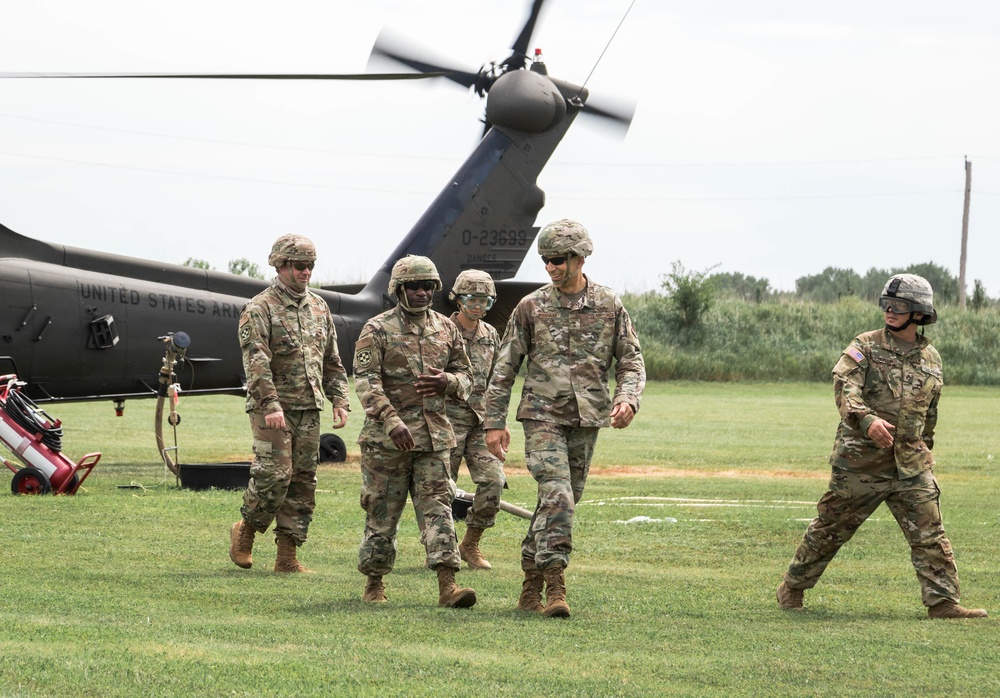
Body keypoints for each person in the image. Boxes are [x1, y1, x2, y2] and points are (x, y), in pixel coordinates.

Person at [777, 274, 988, 619]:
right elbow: (845, 384)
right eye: (886, 304)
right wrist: (867, 420)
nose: (890, 310)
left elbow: (929, 413)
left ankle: (943, 602)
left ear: (919, 312)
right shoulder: (866, 345)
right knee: (830, 530)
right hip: (861, 463)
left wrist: (925, 449)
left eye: (900, 305)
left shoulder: (931, 358)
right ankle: (792, 587)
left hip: (911, 465)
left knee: (930, 535)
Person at [484, 219, 645, 618]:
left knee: (556, 504)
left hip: (587, 419)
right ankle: (556, 586)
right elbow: (504, 367)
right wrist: (493, 421)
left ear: (580, 258)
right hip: (541, 417)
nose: (551, 268)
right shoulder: (531, 306)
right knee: (558, 496)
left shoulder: (609, 305)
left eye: (558, 260)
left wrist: (627, 399)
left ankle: (528, 586)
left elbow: (631, 360)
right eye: (545, 261)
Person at [354, 255, 478, 608]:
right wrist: (391, 421)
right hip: (387, 443)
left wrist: (448, 381)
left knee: (438, 509)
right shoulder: (377, 329)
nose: (423, 293)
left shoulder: (446, 328)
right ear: (398, 290)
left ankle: (447, 585)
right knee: (382, 512)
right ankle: (374, 583)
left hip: (434, 438)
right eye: (415, 287)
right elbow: (365, 381)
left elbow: (467, 376)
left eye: (429, 286)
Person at [229, 234, 350, 573]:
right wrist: (270, 404)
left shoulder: (319, 307)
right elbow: (256, 361)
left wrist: (339, 398)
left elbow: (331, 360)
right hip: (272, 408)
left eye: (310, 265)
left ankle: (287, 557)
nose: (306, 272)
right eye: (299, 265)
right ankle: (245, 532)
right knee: (275, 474)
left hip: (309, 408)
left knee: (303, 481)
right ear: (280, 265)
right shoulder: (259, 308)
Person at [443, 270, 508, 570]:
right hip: (445, 422)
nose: (478, 306)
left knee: (494, 480)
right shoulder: (440, 331)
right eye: (471, 299)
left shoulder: (491, 335)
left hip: (481, 422)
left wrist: (499, 421)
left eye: (485, 301)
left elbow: (497, 381)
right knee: (441, 488)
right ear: (457, 298)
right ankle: (441, 548)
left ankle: (470, 544)